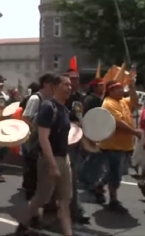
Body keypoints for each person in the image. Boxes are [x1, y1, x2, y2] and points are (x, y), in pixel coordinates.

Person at [15, 74, 73, 236]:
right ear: (55, 87)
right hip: (49, 160)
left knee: (64, 201)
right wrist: (52, 164)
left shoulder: (65, 109)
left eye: (70, 85)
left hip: (64, 158)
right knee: (42, 198)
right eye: (65, 84)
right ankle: (23, 222)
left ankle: (68, 233)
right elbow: (43, 138)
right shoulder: (48, 107)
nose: (69, 88)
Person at [98, 80, 140, 213]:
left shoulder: (122, 101)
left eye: (122, 89)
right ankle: (113, 200)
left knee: (117, 172)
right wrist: (134, 132)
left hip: (125, 145)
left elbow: (134, 100)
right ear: (111, 91)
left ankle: (99, 185)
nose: (122, 91)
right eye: (118, 89)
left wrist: (132, 87)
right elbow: (118, 122)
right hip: (113, 145)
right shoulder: (109, 103)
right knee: (115, 174)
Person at [21, 73, 55, 199]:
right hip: (33, 140)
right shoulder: (36, 99)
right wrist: (37, 129)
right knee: (31, 168)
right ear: (45, 83)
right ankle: (30, 197)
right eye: (52, 83)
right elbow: (25, 118)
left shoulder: (52, 99)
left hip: (44, 140)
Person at [64, 69, 89, 224]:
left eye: (76, 79)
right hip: (62, 141)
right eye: (71, 79)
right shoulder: (58, 98)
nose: (74, 82)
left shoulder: (79, 98)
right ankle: (73, 208)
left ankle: (72, 208)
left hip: (77, 139)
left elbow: (82, 115)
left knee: (73, 176)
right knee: (68, 177)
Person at [80, 78, 105, 202]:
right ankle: (89, 181)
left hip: (98, 131)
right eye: (100, 86)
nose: (103, 88)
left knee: (94, 157)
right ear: (94, 87)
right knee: (94, 157)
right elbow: (89, 117)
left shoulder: (99, 99)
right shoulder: (90, 100)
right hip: (92, 131)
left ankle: (85, 177)